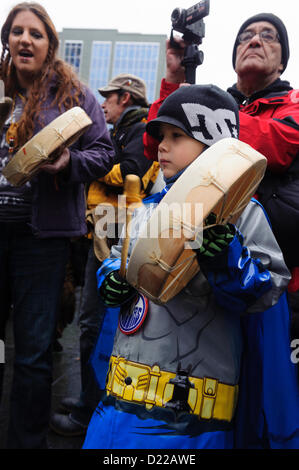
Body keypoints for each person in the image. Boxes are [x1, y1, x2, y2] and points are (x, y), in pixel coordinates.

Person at [82, 84, 291, 449]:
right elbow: (119, 255)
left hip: (192, 423)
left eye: (176, 136)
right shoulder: (144, 209)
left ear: (215, 147)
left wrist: (228, 261)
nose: (161, 145)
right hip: (115, 410)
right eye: (161, 135)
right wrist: (111, 276)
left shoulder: (244, 214)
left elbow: (268, 292)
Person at [143, 13, 299, 449]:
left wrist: (210, 120)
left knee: (268, 402)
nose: (255, 40)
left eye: (268, 36)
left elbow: (276, 146)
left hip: (275, 280)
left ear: (284, 60)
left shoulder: (294, 108)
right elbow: (150, 145)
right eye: (245, 36)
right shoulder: (214, 106)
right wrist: (177, 83)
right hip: (201, 271)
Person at [0, 2, 114, 449]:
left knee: (31, 353)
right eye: (17, 32)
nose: (25, 39)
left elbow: (106, 154)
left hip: (39, 241)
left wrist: (69, 162)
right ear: (7, 39)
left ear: (50, 44)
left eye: (36, 33)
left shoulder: (75, 96)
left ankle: (26, 442)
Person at [50, 73, 160, 437]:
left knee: (96, 327)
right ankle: (88, 399)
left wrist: (91, 167)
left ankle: (90, 412)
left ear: (125, 97)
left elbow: (133, 174)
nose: (104, 104)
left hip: (115, 234)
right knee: (92, 326)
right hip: (104, 230)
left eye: (109, 97)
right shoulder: (123, 131)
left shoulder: (139, 131)